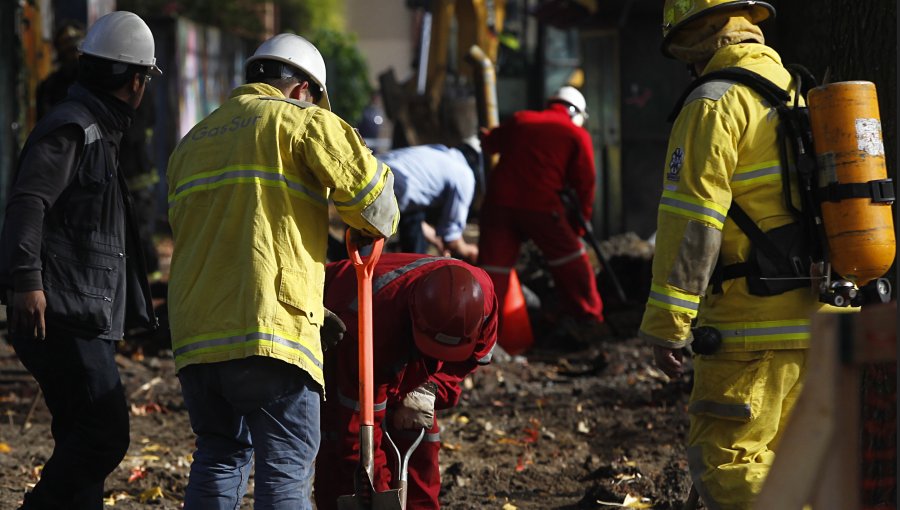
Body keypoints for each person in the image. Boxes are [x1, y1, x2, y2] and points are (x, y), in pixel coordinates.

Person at [165, 33, 399, 509]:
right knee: (287, 470)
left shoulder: (191, 143)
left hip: (196, 338)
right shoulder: (301, 122)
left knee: (219, 456)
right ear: (302, 90)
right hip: (271, 334)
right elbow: (378, 210)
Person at [641, 1, 840, 507]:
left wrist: (669, 324)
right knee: (807, 467)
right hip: (830, 322)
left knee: (729, 466)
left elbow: (693, 222)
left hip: (752, 332)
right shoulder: (801, 93)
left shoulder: (714, 103)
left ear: (693, 36)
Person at [0, 11, 159, 509]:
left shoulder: (99, 128)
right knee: (104, 434)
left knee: (78, 433)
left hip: (81, 308)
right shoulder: (75, 127)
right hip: (60, 311)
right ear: (135, 80)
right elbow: (28, 201)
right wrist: (26, 280)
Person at [314, 253, 498, 510]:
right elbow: (356, 433)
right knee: (340, 446)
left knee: (420, 435)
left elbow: (473, 358)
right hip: (335, 328)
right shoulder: (368, 329)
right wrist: (380, 494)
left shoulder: (482, 299)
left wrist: (430, 386)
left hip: (396, 336)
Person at [478, 85, 604, 344]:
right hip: (542, 206)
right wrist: (578, 228)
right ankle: (588, 317)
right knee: (571, 260)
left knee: (493, 270)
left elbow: (490, 143)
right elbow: (585, 184)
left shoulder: (522, 119)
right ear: (577, 113)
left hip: (499, 203)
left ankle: (482, 332)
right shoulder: (576, 134)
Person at [378, 140, 481, 263]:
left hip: (374, 171)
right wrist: (470, 251)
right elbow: (452, 239)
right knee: (362, 258)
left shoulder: (440, 152)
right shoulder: (465, 175)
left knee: (413, 222)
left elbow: (415, 219)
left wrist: (437, 240)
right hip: (385, 187)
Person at [36, 20, 85, 120]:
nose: (74, 55)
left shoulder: (98, 80)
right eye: (66, 44)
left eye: (75, 41)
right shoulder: (48, 87)